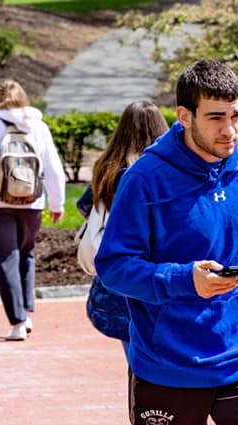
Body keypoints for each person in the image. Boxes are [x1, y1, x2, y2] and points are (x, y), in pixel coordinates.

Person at [94, 60, 238, 424]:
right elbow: (113, 265)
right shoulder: (144, 178)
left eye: (235, 116)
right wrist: (185, 280)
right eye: (216, 118)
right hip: (168, 362)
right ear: (184, 116)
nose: (229, 130)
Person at [0, 78, 67, 341]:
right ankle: (26, 309)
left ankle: (18, 321)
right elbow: (53, 167)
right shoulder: (38, 126)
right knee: (26, 252)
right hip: (32, 201)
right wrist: (57, 202)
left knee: (5, 258)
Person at [76, 100, 166, 341]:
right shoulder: (163, 171)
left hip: (113, 278)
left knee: (133, 351)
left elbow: (85, 205)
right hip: (153, 272)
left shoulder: (107, 168)